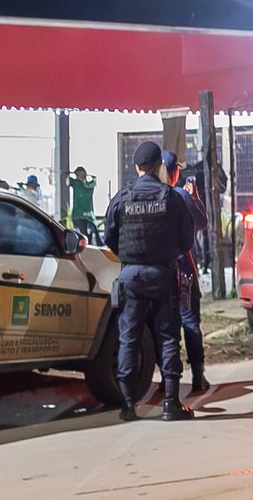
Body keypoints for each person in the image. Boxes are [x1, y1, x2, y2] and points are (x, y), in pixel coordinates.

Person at [104, 141, 196, 421]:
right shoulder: (171, 198)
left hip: (131, 274)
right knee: (168, 336)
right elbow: (187, 239)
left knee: (128, 337)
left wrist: (131, 258)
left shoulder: (123, 197)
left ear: (136, 167)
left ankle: (128, 405)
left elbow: (110, 235)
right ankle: (171, 403)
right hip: (163, 273)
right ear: (159, 166)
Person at [164, 152, 210, 395]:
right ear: (175, 172)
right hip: (182, 271)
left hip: (154, 271)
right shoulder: (181, 195)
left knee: (163, 324)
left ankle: (166, 378)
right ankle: (197, 376)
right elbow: (202, 222)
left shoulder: (139, 195)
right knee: (190, 321)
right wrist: (195, 197)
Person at [69, 166, 99, 241]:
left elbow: (67, 179)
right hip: (83, 215)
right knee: (86, 236)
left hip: (82, 215)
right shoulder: (80, 184)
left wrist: (68, 174)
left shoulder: (79, 184)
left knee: (87, 236)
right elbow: (94, 180)